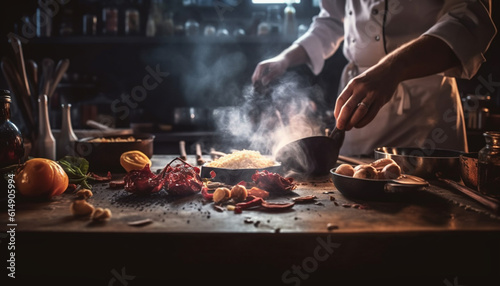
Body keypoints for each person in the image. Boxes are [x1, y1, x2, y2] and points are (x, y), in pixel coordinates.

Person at [252, 0, 497, 156]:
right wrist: (285, 58)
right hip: (358, 100)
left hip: (426, 110)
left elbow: (469, 21)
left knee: (427, 217)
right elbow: (331, 21)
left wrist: (392, 68)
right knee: (351, 205)